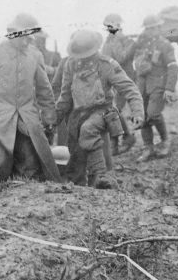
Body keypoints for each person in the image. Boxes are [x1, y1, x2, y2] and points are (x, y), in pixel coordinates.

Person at [0, 13, 61, 195]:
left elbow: (44, 90)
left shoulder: (35, 55)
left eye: (30, 37)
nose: (27, 41)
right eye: (24, 37)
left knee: (32, 166)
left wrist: (49, 117)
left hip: (27, 121)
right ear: (13, 33)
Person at [56, 30, 144, 189]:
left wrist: (137, 112)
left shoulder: (106, 64)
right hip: (78, 114)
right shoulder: (70, 64)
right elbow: (65, 95)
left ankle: (100, 176)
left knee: (88, 130)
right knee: (75, 152)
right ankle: (78, 188)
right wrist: (53, 118)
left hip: (103, 111)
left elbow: (129, 88)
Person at [132, 14, 178, 162]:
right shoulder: (141, 44)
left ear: (159, 28)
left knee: (153, 114)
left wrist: (169, 88)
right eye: (148, 29)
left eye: (154, 28)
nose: (151, 31)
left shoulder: (165, 45)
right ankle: (148, 147)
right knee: (142, 117)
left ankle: (165, 141)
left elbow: (173, 67)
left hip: (158, 85)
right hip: (142, 86)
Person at [101, 13, 138, 155]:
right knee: (112, 110)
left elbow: (121, 57)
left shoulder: (122, 40)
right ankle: (115, 145)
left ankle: (126, 136)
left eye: (111, 24)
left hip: (122, 78)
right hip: (110, 78)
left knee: (114, 110)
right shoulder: (110, 39)